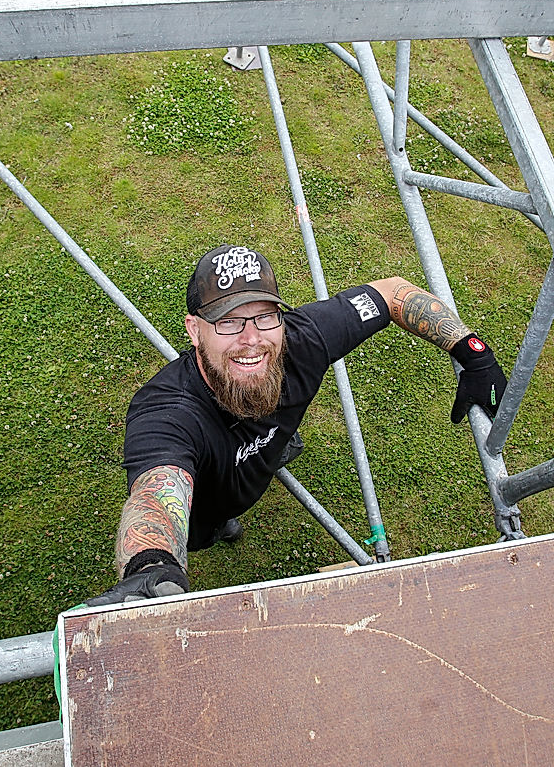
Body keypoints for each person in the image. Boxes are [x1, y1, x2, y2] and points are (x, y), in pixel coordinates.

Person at [87, 243, 507, 605]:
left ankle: (271, 454)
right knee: (211, 528)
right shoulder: (168, 412)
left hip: (261, 458)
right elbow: (158, 495)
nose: (252, 340)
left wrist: (473, 351)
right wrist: (150, 564)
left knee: (270, 450)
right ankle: (224, 526)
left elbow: (392, 292)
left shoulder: (304, 340)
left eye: (265, 317)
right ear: (194, 330)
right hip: (203, 508)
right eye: (228, 322)